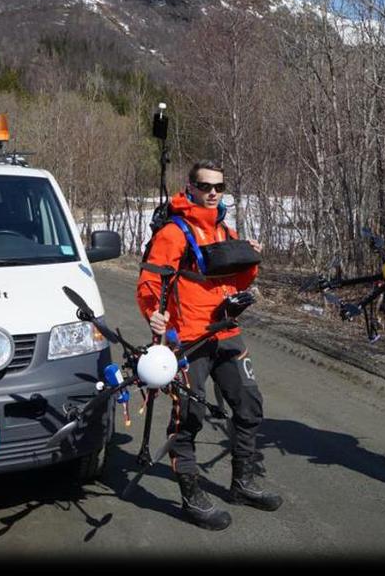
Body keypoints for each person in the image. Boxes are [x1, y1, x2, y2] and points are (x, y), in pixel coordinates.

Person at [136, 160, 282, 530]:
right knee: (190, 417)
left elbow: (238, 278)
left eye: (219, 186)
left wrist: (251, 259)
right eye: (205, 186)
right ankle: (191, 495)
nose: (213, 192)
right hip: (187, 340)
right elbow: (150, 282)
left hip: (227, 332)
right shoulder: (173, 232)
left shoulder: (224, 227)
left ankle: (243, 483)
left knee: (249, 406)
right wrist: (154, 313)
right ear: (191, 187)